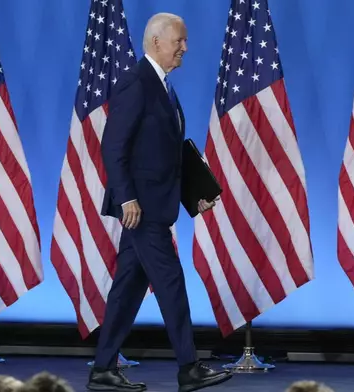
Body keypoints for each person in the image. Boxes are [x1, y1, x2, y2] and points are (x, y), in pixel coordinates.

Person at [87, 12, 232, 392]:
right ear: (156, 42)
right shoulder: (136, 83)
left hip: (155, 204)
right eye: (179, 41)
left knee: (128, 288)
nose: (185, 48)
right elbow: (114, 145)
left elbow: (164, 149)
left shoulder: (162, 85)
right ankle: (189, 368)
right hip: (141, 209)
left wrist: (194, 193)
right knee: (171, 281)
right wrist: (127, 197)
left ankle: (102, 368)